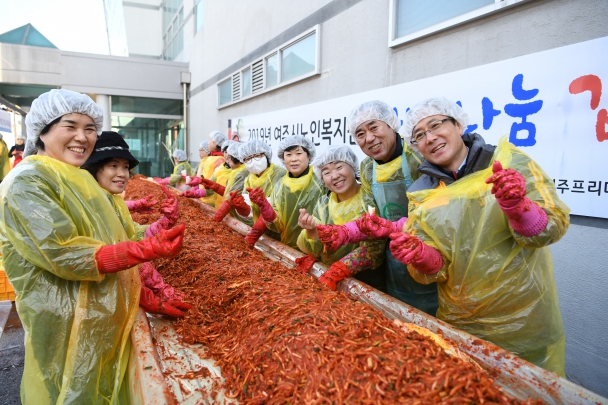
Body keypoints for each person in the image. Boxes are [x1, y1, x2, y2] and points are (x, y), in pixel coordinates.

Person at [0, 89, 186, 404]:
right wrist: (143, 251)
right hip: (66, 326)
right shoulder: (27, 183)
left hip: (98, 317)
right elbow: (64, 254)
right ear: (43, 130)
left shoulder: (76, 179)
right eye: (70, 126)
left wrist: (149, 254)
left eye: (89, 129)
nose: (82, 137)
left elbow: (113, 235)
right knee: (68, 391)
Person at [388, 97, 569, 375]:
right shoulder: (421, 194)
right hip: (461, 321)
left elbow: (549, 229)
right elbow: (438, 268)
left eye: (435, 125)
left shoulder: (508, 162)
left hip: (524, 316)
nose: (430, 138)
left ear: (458, 124)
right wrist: (421, 256)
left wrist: (518, 207)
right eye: (419, 135)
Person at [316, 100, 438, 314]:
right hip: (394, 265)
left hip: (432, 259)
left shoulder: (419, 156)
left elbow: (438, 218)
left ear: (391, 124)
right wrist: (345, 236)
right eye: (360, 134)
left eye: (374, 127)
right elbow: (373, 226)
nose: (369, 138)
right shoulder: (367, 168)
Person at [81, 131, 190, 316]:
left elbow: (135, 236)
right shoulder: (91, 205)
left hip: (121, 292)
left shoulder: (112, 201)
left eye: (125, 167)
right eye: (113, 166)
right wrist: (147, 294)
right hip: (100, 306)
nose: (122, 173)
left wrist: (166, 222)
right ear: (94, 168)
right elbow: (105, 258)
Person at [296, 145, 385, 290]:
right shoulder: (324, 203)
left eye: (339, 167)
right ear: (322, 178)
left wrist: (342, 268)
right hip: (328, 280)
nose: (335, 176)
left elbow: (375, 248)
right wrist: (311, 231)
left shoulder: (369, 199)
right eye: (327, 172)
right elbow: (315, 247)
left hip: (366, 282)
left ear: (352, 167)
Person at [248, 135, 326, 250]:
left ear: (309, 155)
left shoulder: (321, 180)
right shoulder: (280, 186)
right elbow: (277, 226)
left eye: (298, 153)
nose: (293, 159)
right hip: (288, 249)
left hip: (319, 251)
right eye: (288, 155)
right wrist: (264, 206)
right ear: (283, 159)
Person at [183, 141, 252, 225]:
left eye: (229, 155)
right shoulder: (233, 170)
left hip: (242, 219)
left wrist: (216, 218)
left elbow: (232, 197)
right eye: (225, 152)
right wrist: (208, 187)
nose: (226, 157)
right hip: (227, 212)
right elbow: (227, 192)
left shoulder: (242, 172)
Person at [239, 139, 287, 245]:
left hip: (279, 232)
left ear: (266, 155)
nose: (253, 161)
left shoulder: (280, 175)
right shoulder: (249, 179)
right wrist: (242, 207)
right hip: (262, 233)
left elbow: (273, 207)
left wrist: (254, 234)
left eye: (257, 156)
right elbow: (249, 210)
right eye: (248, 159)